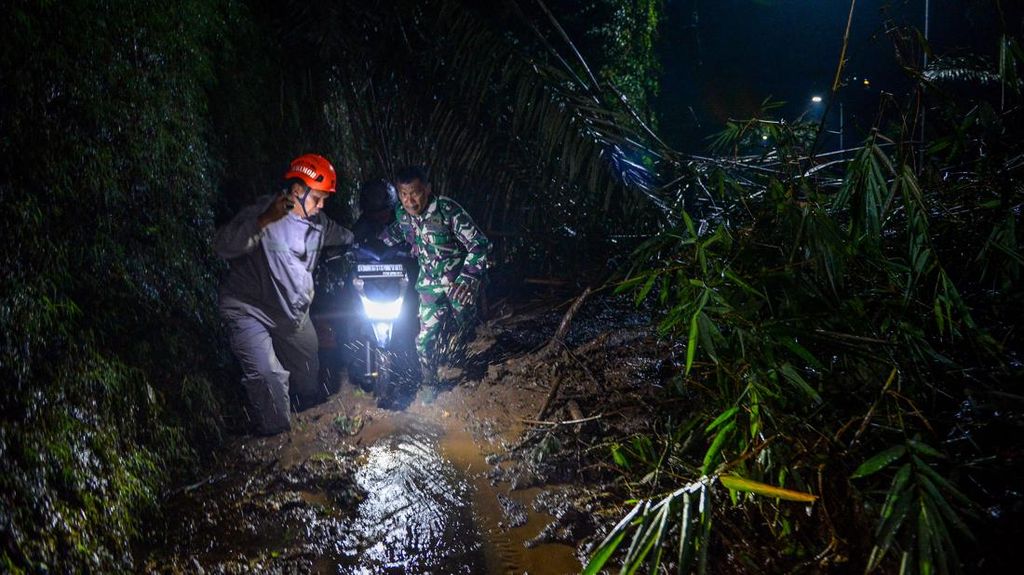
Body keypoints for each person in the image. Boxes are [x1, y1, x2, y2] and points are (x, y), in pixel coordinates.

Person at [214, 153, 354, 435]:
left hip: (292, 313)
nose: (322, 205)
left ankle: (303, 412)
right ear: (298, 190)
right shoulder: (264, 211)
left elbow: (347, 237)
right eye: (318, 198)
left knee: (308, 380)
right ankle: (277, 435)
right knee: (268, 375)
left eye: (325, 199)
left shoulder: (320, 224)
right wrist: (264, 220)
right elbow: (223, 246)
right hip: (249, 309)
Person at [380, 166, 492, 401]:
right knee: (424, 339)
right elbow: (394, 235)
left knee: (466, 327)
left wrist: (468, 278)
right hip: (429, 286)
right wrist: (370, 245)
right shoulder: (403, 215)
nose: (410, 201)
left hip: (457, 284)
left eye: (415, 193)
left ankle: (472, 366)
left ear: (427, 189)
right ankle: (429, 384)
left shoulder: (447, 209)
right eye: (403, 194)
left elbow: (480, 244)